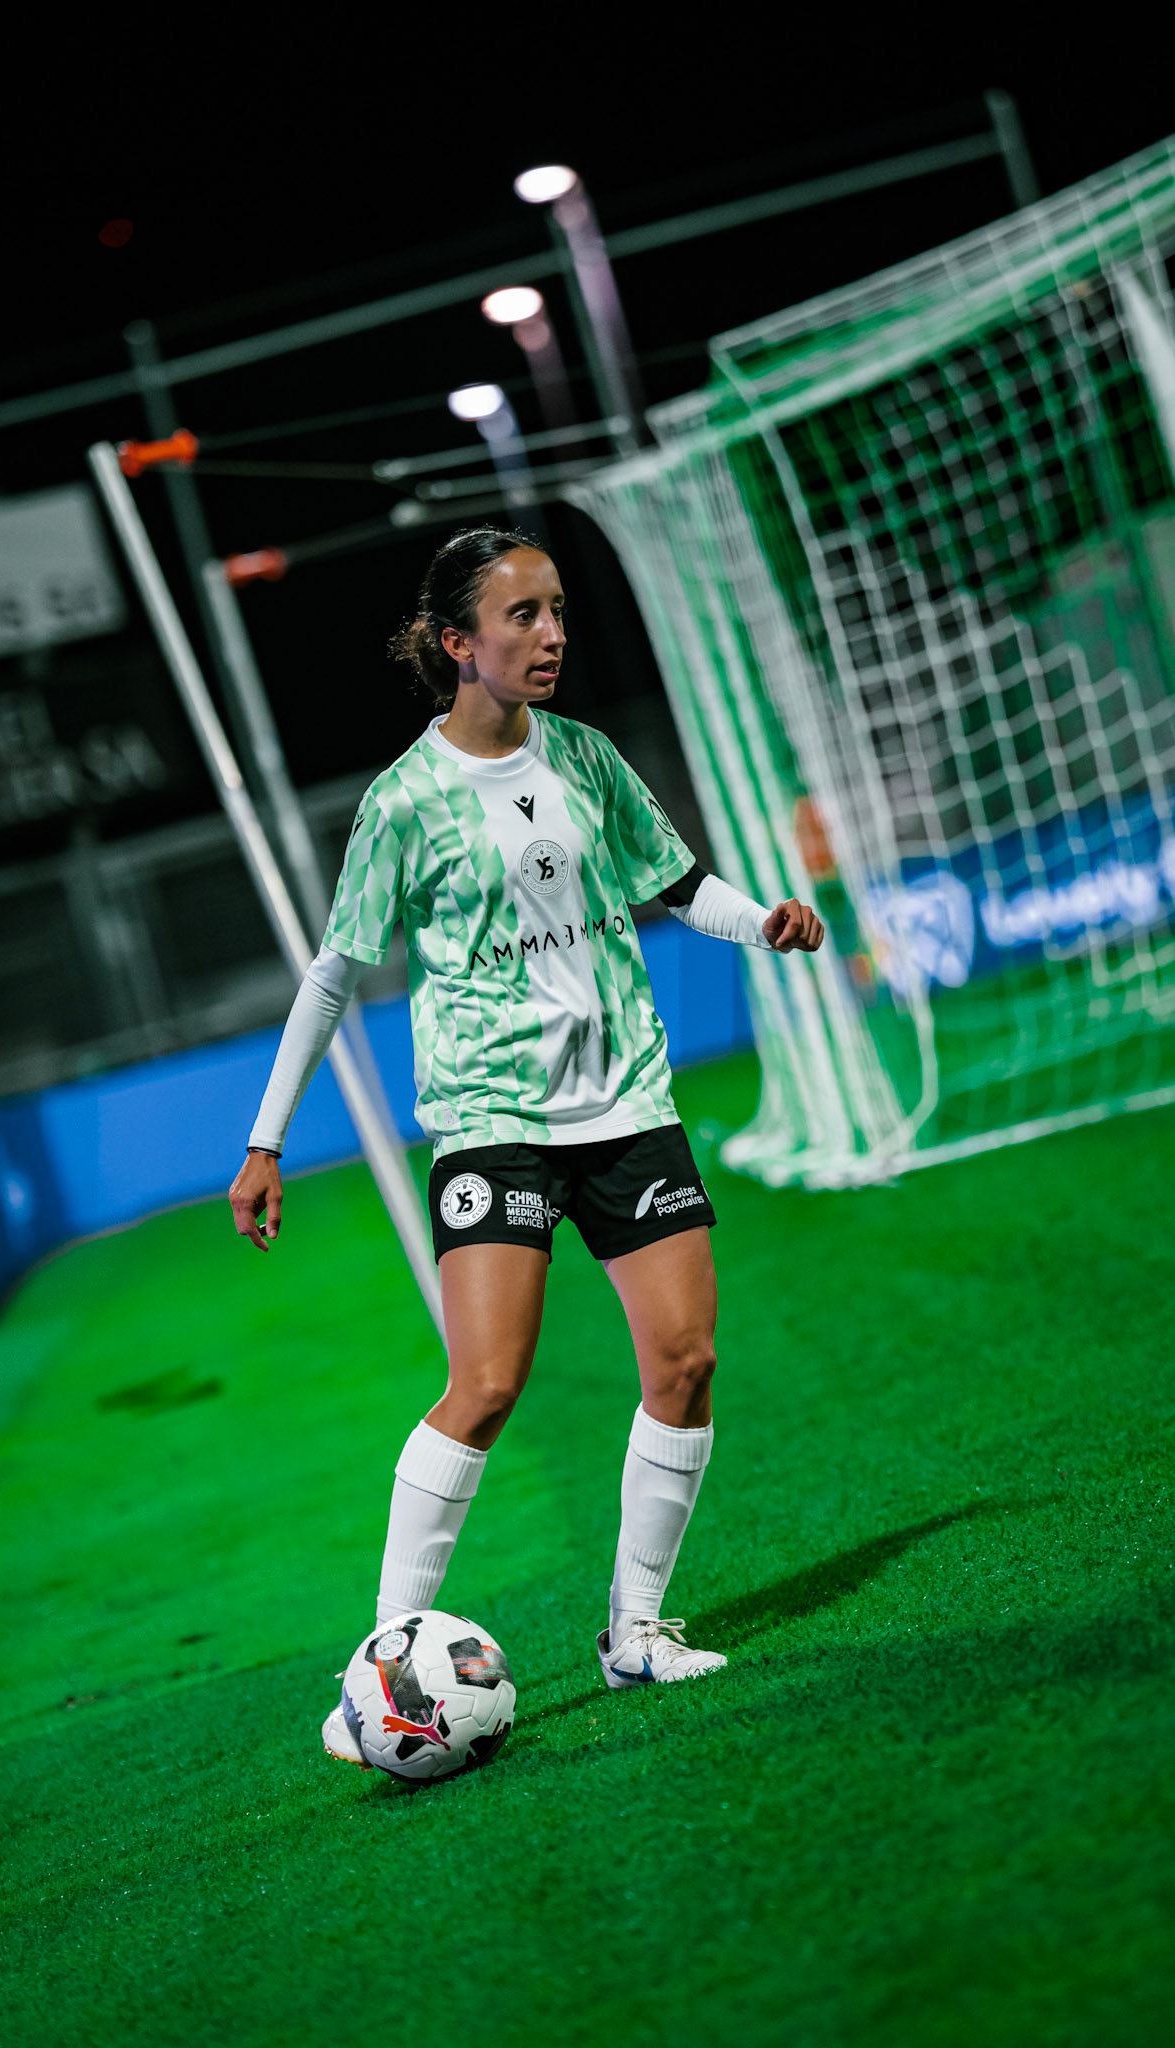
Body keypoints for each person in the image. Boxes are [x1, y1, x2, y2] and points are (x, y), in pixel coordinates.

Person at [228, 527, 823, 1767]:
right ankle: (387, 1667)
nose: (552, 634)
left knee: (687, 1357)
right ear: (459, 643)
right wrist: (266, 1138)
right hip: (493, 1118)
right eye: (523, 616)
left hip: (629, 1102)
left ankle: (637, 1632)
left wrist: (761, 921)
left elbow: (676, 883)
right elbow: (333, 977)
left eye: (557, 610)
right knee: (487, 1384)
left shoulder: (590, 759)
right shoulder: (403, 803)